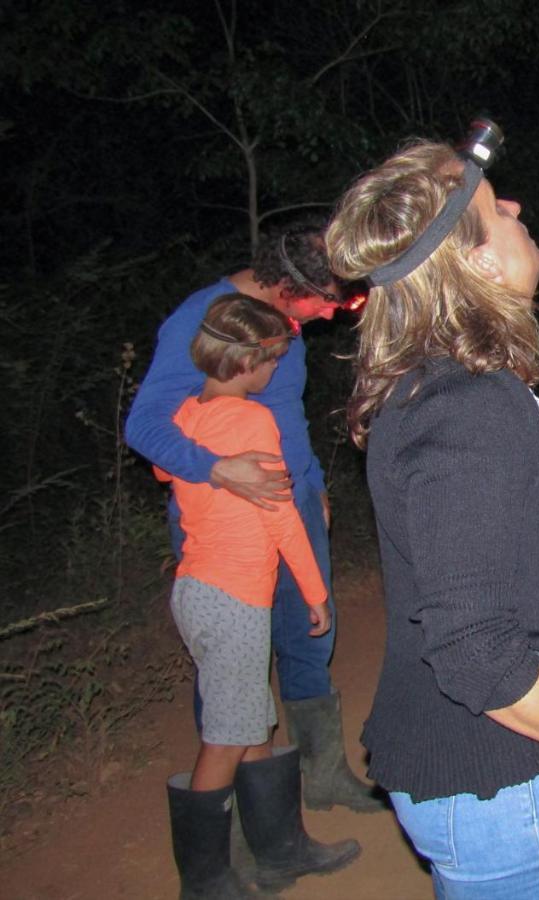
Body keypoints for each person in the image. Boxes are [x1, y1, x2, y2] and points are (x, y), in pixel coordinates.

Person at [325, 125, 539, 899]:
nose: (518, 207)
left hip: (472, 767)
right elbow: (472, 648)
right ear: (475, 261)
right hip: (496, 778)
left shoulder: (436, 387)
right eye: (498, 209)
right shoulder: (468, 406)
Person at [125, 217, 382, 814]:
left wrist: (312, 485)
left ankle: (320, 775)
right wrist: (216, 468)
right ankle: (238, 813)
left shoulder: (280, 325)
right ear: (288, 285)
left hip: (289, 509)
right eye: (326, 303)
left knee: (310, 637)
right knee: (233, 659)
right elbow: (144, 426)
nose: (329, 316)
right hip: (227, 521)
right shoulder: (205, 321)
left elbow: (282, 415)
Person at [162, 294, 360, 896]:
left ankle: (279, 849)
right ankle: (206, 879)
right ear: (246, 361)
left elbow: (165, 473)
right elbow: (280, 517)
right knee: (226, 736)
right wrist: (314, 590)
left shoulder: (185, 416)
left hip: (197, 590)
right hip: (234, 596)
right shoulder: (253, 420)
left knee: (249, 721)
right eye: (272, 360)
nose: (276, 372)